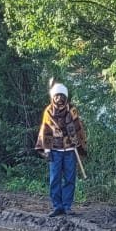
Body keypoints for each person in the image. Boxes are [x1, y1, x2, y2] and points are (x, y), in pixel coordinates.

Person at [34, 82, 87, 216]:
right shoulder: (48, 111)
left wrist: (79, 144)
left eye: (62, 96)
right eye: (57, 96)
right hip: (55, 151)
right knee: (55, 179)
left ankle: (67, 206)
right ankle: (57, 206)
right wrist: (46, 150)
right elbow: (45, 130)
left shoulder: (72, 110)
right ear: (53, 97)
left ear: (66, 97)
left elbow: (78, 127)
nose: (59, 99)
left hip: (70, 150)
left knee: (70, 179)